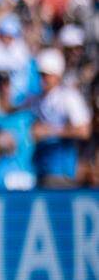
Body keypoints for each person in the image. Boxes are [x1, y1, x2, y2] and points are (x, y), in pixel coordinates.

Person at [32, 49, 92, 188]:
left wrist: (50, 131)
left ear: (57, 76)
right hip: (40, 167)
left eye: (46, 75)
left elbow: (84, 130)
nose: (42, 79)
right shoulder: (37, 99)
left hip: (61, 170)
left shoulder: (68, 97)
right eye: (40, 75)